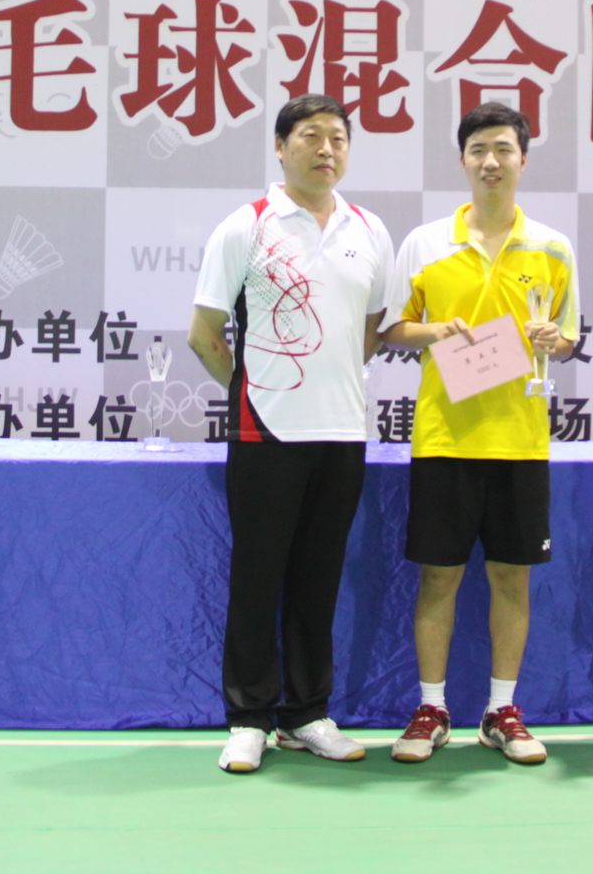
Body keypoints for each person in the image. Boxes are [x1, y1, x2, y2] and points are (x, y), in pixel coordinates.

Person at [188, 95, 395, 774]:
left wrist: (325, 384)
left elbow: (369, 330)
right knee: (257, 577)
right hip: (265, 434)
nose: (326, 148)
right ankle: (248, 718)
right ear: (281, 148)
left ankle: (307, 714)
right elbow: (204, 334)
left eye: (338, 137)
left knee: (318, 579)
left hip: (343, 434)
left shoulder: (370, 230)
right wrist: (257, 393)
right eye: (310, 136)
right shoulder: (245, 226)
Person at [380, 102, 578, 765]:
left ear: (523, 159)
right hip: (445, 437)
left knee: (511, 580)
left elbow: (568, 335)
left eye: (503, 150)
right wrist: (435, 331)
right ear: (462, 160)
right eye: (478, 151)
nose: (491, 162)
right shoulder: (425, 242)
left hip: (520, 439)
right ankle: (432, 707)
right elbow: (392, 328)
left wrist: (554, 339)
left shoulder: (553, 247)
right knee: (438, 580)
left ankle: (501, 710)